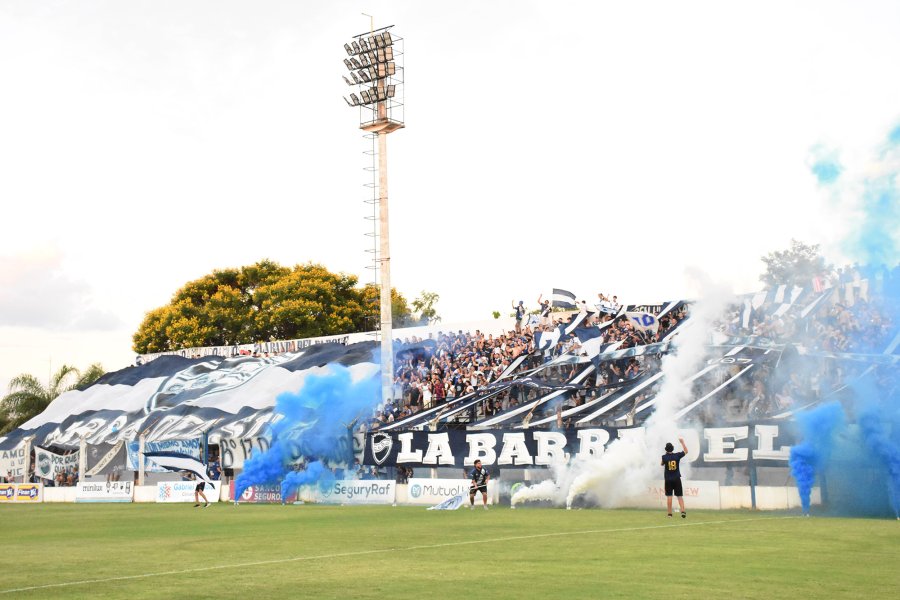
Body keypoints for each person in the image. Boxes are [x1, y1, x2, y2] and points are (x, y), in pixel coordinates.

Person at [661, 437, 688, 518]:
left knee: (669, 496)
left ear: (666, 449)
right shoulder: (677, 456)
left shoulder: (664, 457)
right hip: (676, 478)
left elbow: (661, 464)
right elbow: (686, 451)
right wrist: (682, 442)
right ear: (672, 449)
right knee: (679, 496)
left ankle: (669, 514)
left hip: (668, 479)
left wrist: (665, 460)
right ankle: (683, 511)